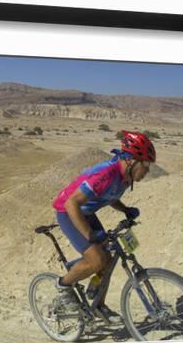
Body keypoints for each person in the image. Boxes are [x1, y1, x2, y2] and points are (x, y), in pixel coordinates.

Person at [52, 130, 156, 323]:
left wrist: (125, 210)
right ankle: (63, 286)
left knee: (107, 259)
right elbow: (71, 204)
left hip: (85, 211)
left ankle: (98, 306)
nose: (148, 170)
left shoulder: (126, 177)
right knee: (98, 259)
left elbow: (110, 196)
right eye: (146, 164)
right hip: (69, 211)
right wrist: (90, 234)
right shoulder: (106, 174)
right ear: (132, 160)